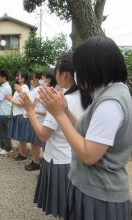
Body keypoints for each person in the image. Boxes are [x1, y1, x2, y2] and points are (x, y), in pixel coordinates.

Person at [38, 36, 132, 220]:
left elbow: (89, 155)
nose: (77, 74)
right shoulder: (110, 92)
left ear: (94, 67)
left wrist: (58, 114)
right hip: (93, 189)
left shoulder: (110, 103)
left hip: (99, 194)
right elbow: (87, 132)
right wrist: (65, 110)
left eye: (80, 69)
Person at [20, 53, 91, 219]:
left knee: (63, 212)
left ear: (64, 74)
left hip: (59, 161)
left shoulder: (60, 101)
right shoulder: (87, 97)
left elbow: (43, 135)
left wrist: (30, 110)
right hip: (77, 159)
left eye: (55, 72)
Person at [22, 71, 46, 171]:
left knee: (35, 142)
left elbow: (30, 102)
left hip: (37, 118)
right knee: (34, 141)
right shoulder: (38, 89)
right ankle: (35, 161)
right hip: (36, 117)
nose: (31, 81)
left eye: (32, 79)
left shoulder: (39, 89)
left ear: (36, 79)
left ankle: (36, 162)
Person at [5, 72, 30, 160]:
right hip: (17, 113)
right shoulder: (20, 88)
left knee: (22, 136)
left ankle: (22, 155)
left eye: (18, 76)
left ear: (23, 79)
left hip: (21, 114)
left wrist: (10, 99)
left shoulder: (24, 88)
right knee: (20, 136)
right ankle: (20, 153)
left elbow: (23, 104)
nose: (17, 78)